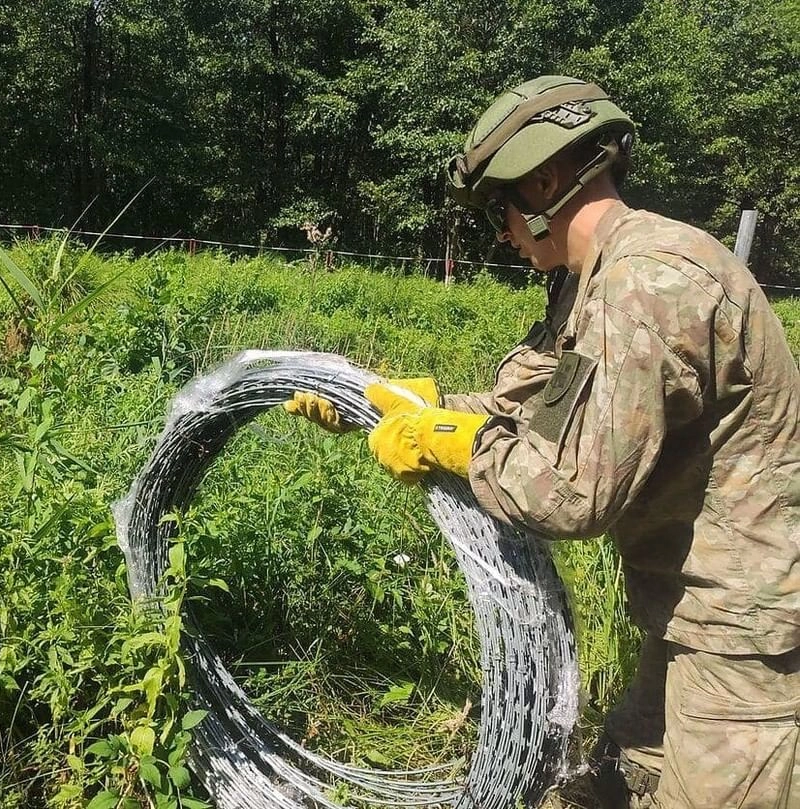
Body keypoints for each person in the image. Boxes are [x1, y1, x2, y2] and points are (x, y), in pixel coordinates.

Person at [284, 75, 800, 808]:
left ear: (547, 180)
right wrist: (391, 403)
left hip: (746, 641)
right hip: (690, 617)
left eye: (501, 210)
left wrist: (456, 446)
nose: (503, 233)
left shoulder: (647, 285)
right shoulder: (592, 280)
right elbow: (526, 407)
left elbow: (568, 490)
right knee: (608, 786)